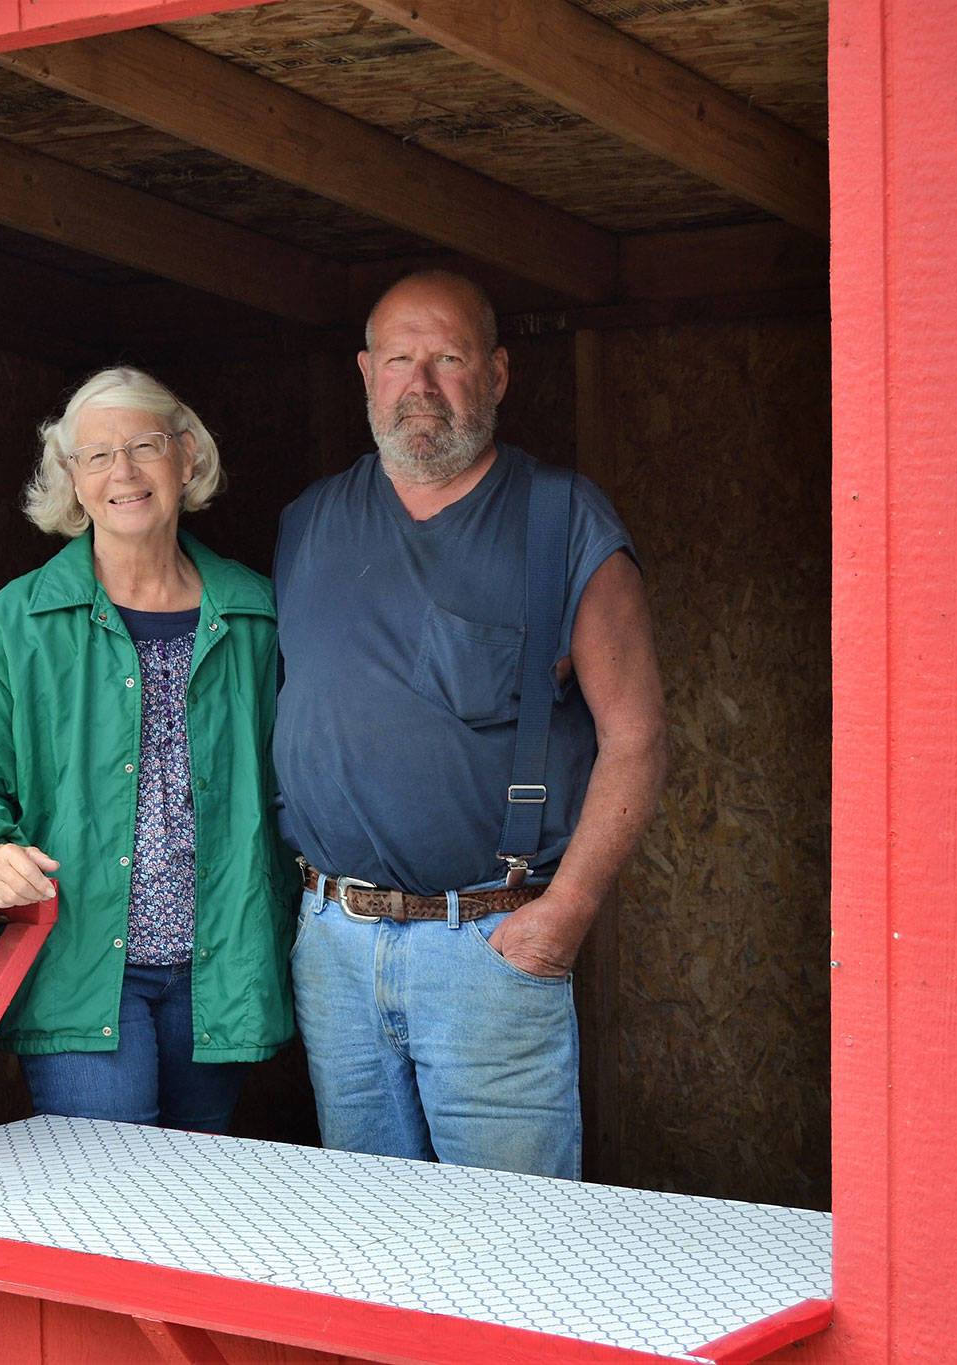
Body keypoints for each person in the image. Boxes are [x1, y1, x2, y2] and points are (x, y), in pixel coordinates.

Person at [273, 270, 668, 1179]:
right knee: (373, 1247)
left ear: (495, 375)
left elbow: (638, 737)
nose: (422, 384)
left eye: (448, 358)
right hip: (335, 944)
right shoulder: (309, 523)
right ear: (365, 373)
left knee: (513, 1251)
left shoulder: (562, 519)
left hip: (488, 946)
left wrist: (562, 915)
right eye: (401, 360)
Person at [0, 366, 296, 1134]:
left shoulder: (256, 613)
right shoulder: (20, 621)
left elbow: (315, 772)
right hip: (83, 965)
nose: (125, 472)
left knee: (200, 1188)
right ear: (71, 480)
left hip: (223, 965)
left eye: (144, 445)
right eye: (97, 455)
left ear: (186, 457)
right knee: (112, 1201)